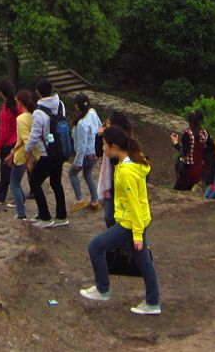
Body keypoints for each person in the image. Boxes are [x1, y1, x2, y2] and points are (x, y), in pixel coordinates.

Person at [79, 125, 162, 316]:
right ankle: (152, 302)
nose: (103, 149)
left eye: (105, 145)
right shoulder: (134, 160)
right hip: (138, 219)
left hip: (130, 223)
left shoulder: (126, 171)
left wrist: (138, 234)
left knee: (95, 247)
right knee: (143, 261)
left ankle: (102, 289)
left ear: (115, 146)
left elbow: (133, 203)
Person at [26, 78, 69, 227]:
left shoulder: (39, 112)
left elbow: (35, 134)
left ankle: (45, 217)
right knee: (56, 182)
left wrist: (27, 150)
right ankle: (62, 216)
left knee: (34, 182)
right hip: (61, 151)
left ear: (38, 93)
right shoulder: (61, 105)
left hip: (48, 153)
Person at [98, 111, 135, 227]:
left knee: (119, 217)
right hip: (111, 182)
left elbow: (119, 162)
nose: (106, 126)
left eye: (108, 124)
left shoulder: (125, 143)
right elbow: (98, 152)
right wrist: (99, 135)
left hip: (118, 184)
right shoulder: (109, 141)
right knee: (109, 217)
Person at [7, 90, 37, 219]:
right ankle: (22, 203)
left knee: (14, 183)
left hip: (22, 156)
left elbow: (26, 141)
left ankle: (21, 213)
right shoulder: (34, 116)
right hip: (33, 154)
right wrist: (12, 151)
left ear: (20, 102)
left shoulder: (21, 119)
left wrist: (28, 160)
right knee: (18, 183)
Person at [69, 94, 102, 212]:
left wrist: (77, 162)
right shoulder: (92, 113)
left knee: (72, 174)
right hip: (94, 152)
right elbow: (100, 128)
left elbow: (82, 146)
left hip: (85, 154)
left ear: (77, 106)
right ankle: (95, 201)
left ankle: (80, 199)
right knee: (87, 174)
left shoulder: (81, 124)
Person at [0, 81, 19, 204]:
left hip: (8, 143)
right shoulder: (17, 105)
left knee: (5, 171)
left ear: (2, 93)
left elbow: (4, 131)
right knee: (12, 171)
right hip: (17, 142)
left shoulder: (6, 109)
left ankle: (3, 197)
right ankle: (2, 196)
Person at [170, 110, 209, 191]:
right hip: (200, 168)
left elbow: (184, 152)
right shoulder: (205, 133)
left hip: (188, 170)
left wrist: (175, 143)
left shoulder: (187, 134)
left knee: (177, 191)